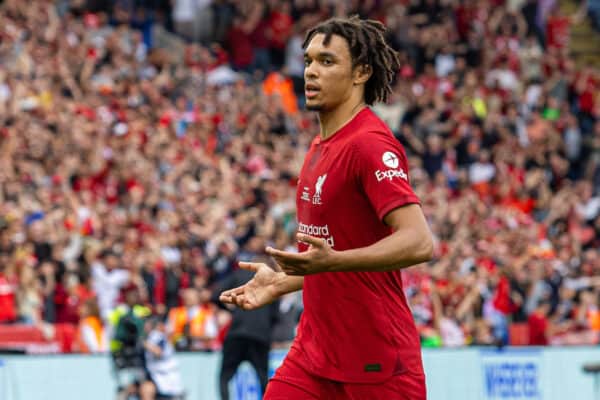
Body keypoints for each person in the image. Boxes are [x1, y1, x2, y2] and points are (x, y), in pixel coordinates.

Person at [220, 16, 434, 400]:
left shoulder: (369, 145)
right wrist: (282, 282)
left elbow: (419, 242)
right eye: (308, 61)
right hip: (314, 355)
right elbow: (329, 260)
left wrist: (332, 262)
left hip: (376, 361)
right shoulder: (320, 146)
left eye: (327, 61)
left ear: (361, 72)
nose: (311, 72)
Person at [213, 264, 281, 400]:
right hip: (260, 336)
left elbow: (216, 294)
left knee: (224, 376)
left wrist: (231, 310)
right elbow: (275, 316)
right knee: (263, 378)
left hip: (237, 334)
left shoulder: (239, 275)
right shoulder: (273, 281)